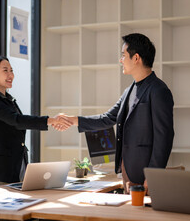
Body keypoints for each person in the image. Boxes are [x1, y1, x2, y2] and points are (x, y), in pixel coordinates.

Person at [61, 33, 174, 193]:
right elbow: (107, 119)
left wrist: (153, 175)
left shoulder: (158, 91)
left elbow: (164, 137)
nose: (121, 60)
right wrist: (72, 120)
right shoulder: (129, 91)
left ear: (136, 58)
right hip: (127, 172)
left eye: (123, 55)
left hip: (145, 174)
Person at [0, 55, 71, 187]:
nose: (10, 75)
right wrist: (50, 120)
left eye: (11, 70)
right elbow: (17, 120)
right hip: (1, 171)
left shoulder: (9, 100)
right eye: (5, 70)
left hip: (18, 165)